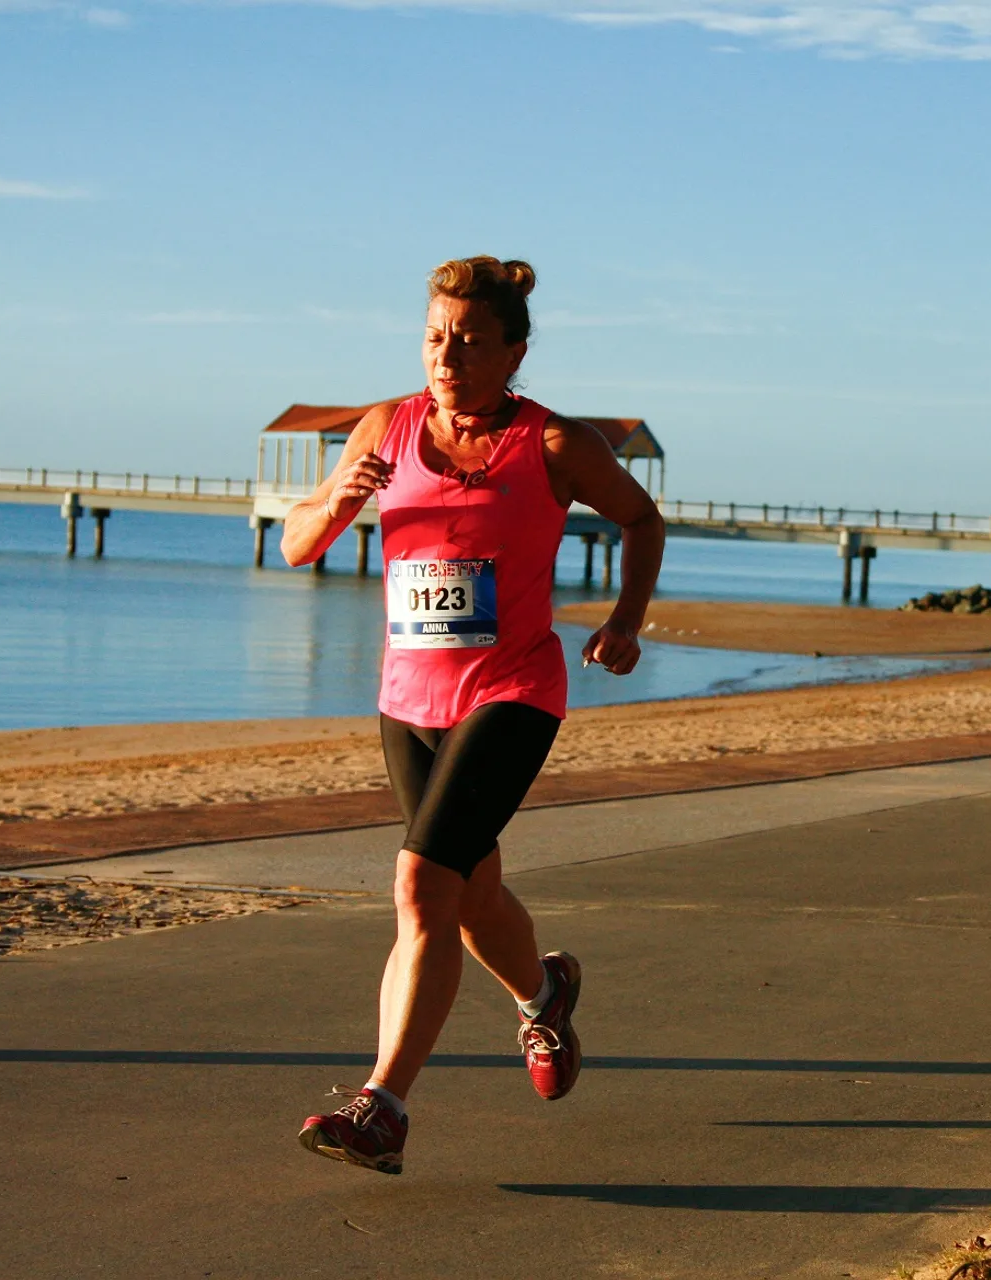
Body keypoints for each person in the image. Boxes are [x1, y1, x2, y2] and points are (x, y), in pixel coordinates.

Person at [281, 256, 665, 1174]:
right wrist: (340, 498)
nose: (447, 355)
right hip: (407, 701)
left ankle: (383, 1108)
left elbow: (641, 521)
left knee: (421, 885)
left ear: (514, 352)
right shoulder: (386, 427)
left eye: (470, 341)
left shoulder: (554, 444)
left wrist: (624, 620)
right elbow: (297, 546)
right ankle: (545, 995)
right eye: (434, 337)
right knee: (469, 895)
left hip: (514, 691)